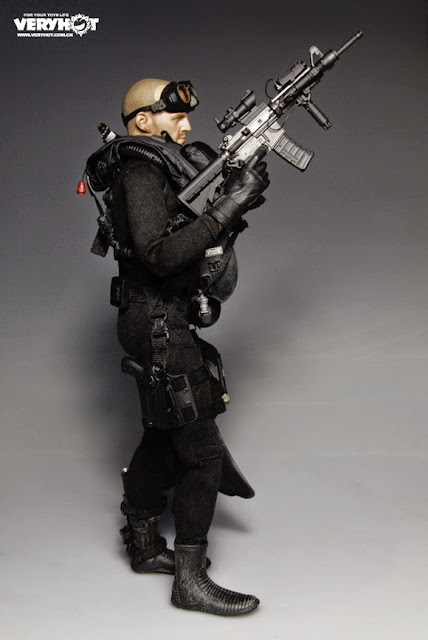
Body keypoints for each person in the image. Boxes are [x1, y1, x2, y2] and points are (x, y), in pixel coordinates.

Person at [91, 78, 269, 616]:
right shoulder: (141, 172)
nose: (187, 125)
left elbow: (190, 241)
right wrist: (226, 208)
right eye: (174, 116)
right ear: (143, 121)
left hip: (151, 317)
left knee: (161, 432)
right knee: (203, 456)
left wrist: (233, 197)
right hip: (157, 324)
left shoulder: (158, 169)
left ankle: (145, 547)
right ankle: (190, 582)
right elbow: (160, 255)